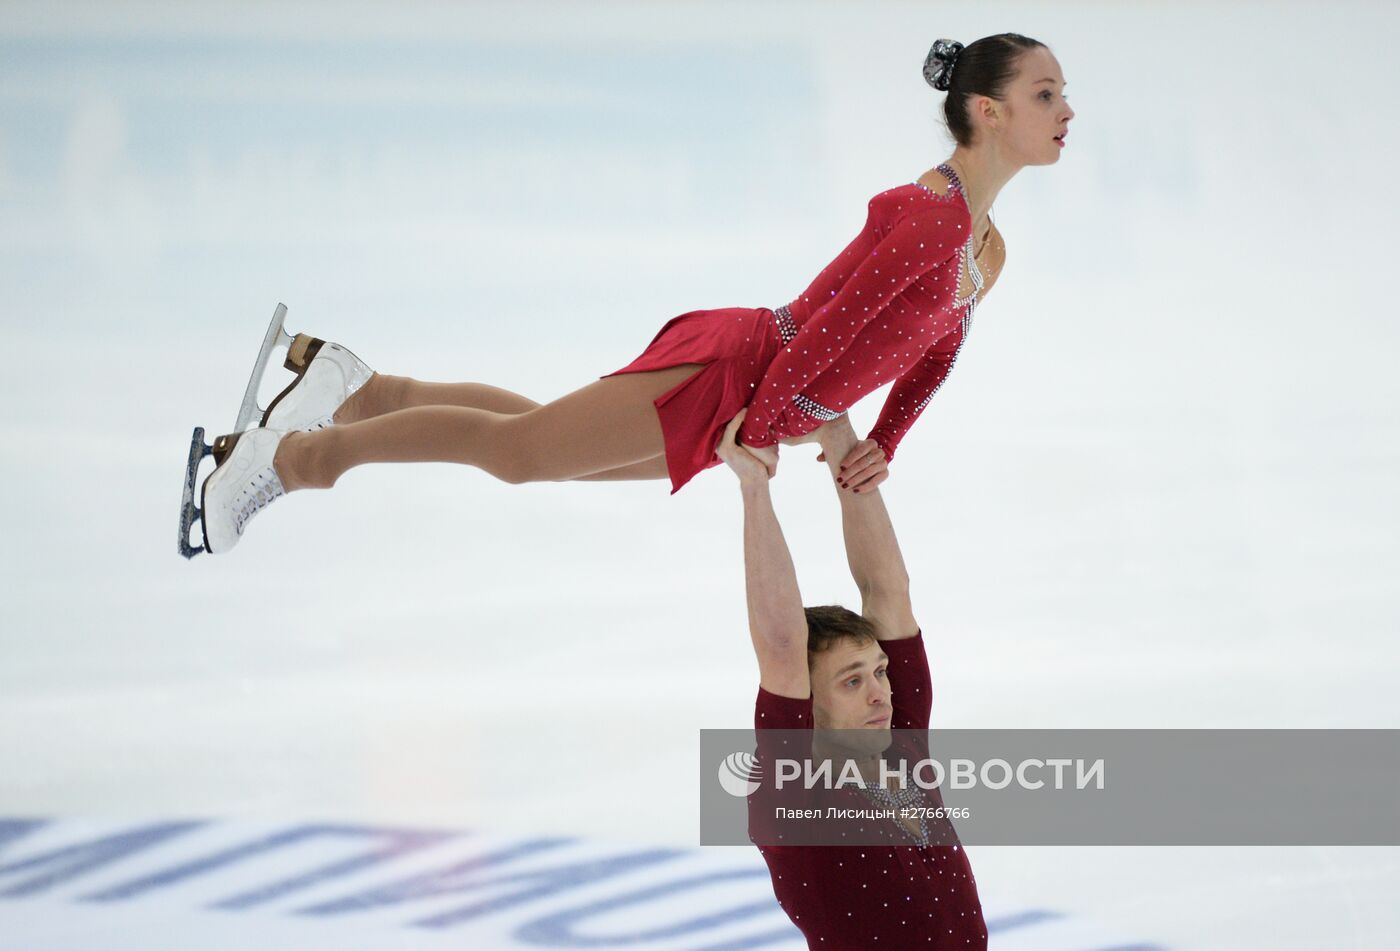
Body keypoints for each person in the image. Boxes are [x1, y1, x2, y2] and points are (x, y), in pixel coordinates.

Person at [180, 34, 1072, 555]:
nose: (1065, 109)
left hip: (759, 400)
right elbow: (825, 339)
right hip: (741, 373)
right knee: (522, 452)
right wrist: (759, 431)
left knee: (533, 438)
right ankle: (283, 460)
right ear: (986, 111)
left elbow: (936, 351)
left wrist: (884, 439)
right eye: (1045, 93)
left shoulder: (986, 249)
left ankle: (357, 386)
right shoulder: (929, 221)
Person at [714, 407, 988, 948]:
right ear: (806, 704)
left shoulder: (899, 748)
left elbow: (888, 592)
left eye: (879, 672)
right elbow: (782, 646)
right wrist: (755, 487)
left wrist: (836, 432)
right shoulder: (793, 795)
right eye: (851, 681)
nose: (881, 693)